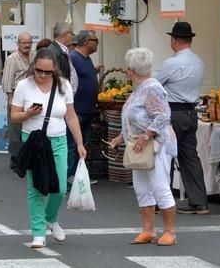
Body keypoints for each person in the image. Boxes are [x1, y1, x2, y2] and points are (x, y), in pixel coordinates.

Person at [10, 48, 86, 249]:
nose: (42, 75)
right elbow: (14, 116)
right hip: (34, 141)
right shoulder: (23, 86)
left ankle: (51, 218)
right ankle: (38, 231)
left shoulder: (64, 86)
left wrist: (79, 143)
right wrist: (27, 114)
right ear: (33, 67)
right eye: (38, 71)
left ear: (55, 70)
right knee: (36, 188)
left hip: (58, 140)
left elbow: (70, 115)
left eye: (47, 72)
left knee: (60, 188)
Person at [110, 48, 178, 246]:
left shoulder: (151, 88)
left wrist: (147, 135)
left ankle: (169, 231)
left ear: (131, 70)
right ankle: (148, 230)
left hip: (157, 145)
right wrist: (121, 137)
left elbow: (162, 115)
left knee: (159, 186)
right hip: (140, 146)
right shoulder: (140, 88)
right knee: (142, 188)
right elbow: (135, 118)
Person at [154, 21, 208, 215]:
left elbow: (154, 82)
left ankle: (162, 201)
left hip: (173, 112)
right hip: (190, 112)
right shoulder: (198, 62)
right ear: (190, 40)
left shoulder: (172, 63)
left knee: (164, 155)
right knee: (190, 156)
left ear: (174, 40)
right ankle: (199, 201)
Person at [67, 30, 103, 187]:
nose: (97, 43)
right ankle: (69, 174)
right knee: (73, 144)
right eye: (95, 40)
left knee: (83, 143)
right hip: (77, 110)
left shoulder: (87, 59)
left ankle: (78, 174)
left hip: (87, 109)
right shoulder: (73, 57)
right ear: (86, 42)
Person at [2, 32, 33, 171]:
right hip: (16, 97)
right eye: (24, 42)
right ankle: (15, 160)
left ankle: (26, 158)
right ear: (18, 44)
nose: (27, 45)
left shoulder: (34, 56)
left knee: (29, 128)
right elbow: (7, 81)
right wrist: (10, 98)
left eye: (29, 42)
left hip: (31, 97)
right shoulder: (12, 59)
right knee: (15, 130)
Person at [48, 22, 78, 94]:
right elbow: (55, 77)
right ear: (67, 34)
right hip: (60, 95)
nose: (72, 37)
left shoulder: (61, 50)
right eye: (72, 34)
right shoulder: (54, 51)